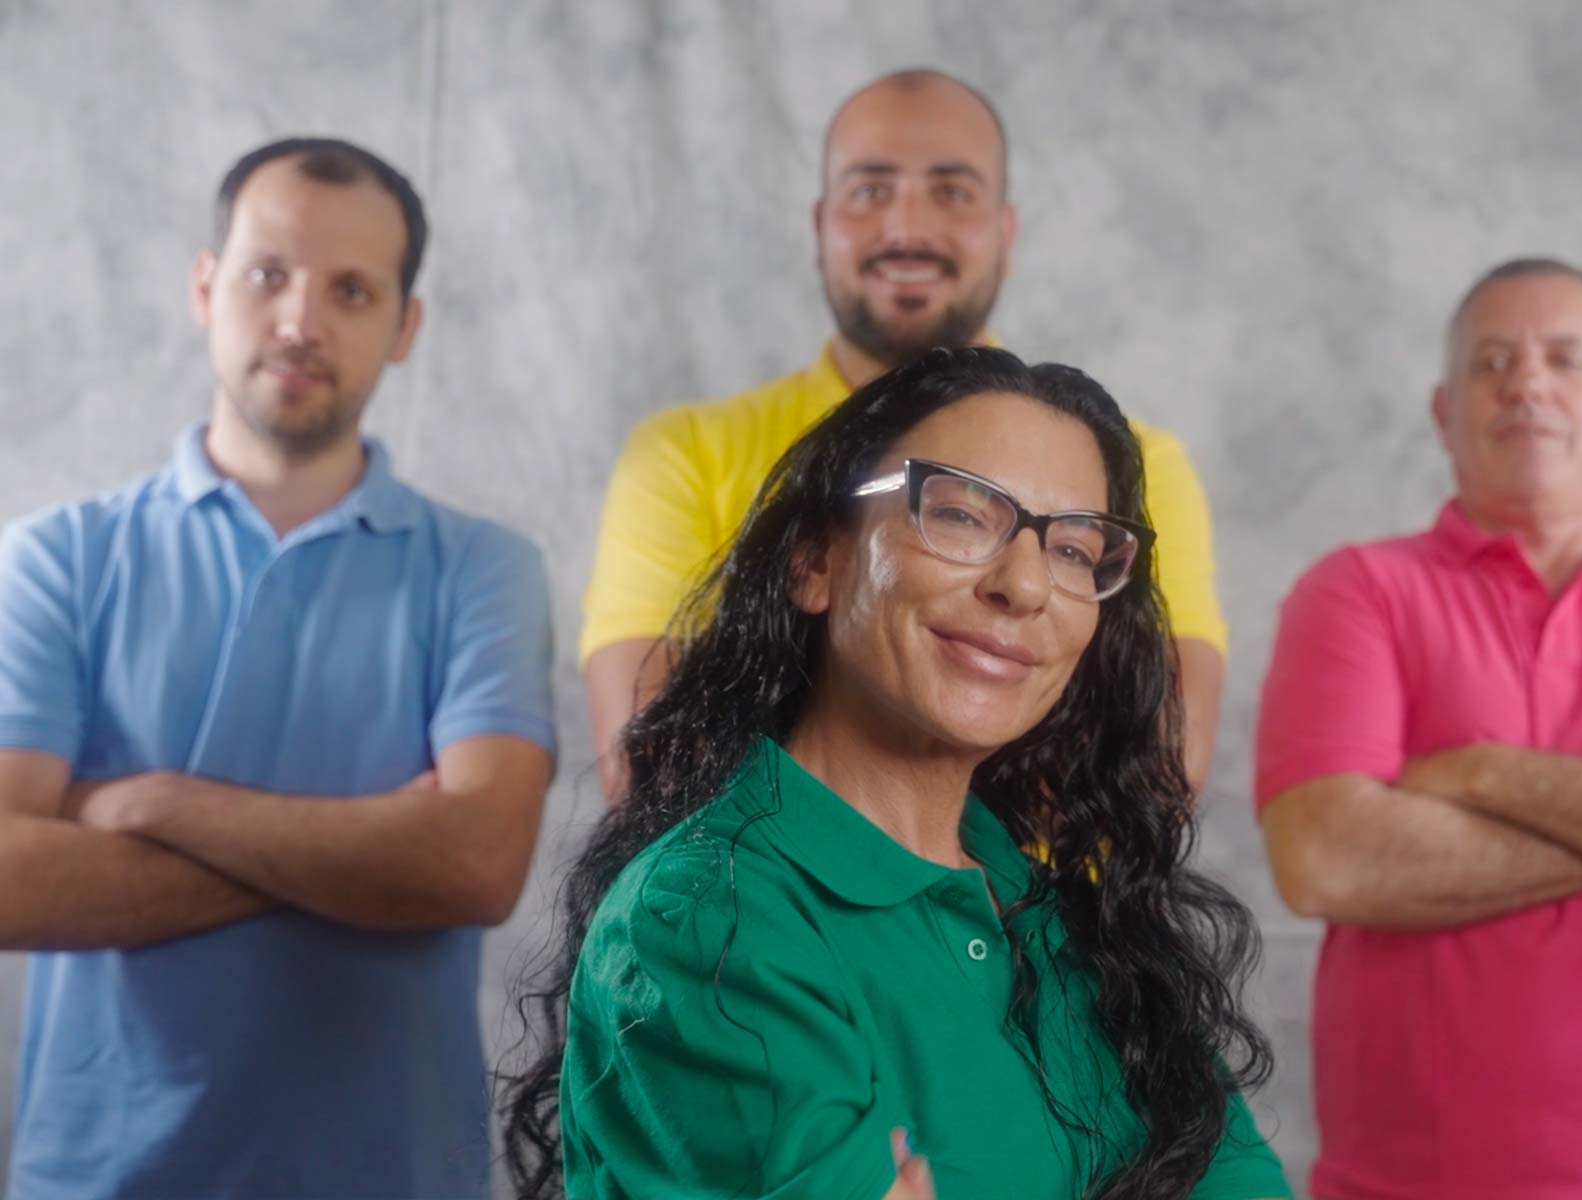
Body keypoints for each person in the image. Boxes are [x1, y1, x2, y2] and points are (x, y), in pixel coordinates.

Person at [506, 347, 1290, 1200]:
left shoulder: (1063, 906)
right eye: (958, 514)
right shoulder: (703, 923)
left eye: (1074, 550)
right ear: (816, 559)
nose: (1024, 583)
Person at [0, 137, 555, 1199]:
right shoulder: (56, 560)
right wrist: (373, 858)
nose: (302, 321)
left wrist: (149, 802)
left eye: (352, 290)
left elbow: (474, 865)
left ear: (405, 327)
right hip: (100, 1179)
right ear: (206, 287)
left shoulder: (486, 571)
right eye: (268, 275)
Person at [1255, 258, 1582, 1198]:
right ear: (1442, 411)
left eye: (1564, 358)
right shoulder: (1357, 592)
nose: (1527, 383)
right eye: (1493, 361)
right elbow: (1328, 860)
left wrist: (1477, 773)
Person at [581, 69, 1228, 798]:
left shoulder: (1136, 465)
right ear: (821, 226)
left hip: (1047, 914)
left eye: (952, 191)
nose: (909, 229)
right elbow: (654, 765)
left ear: (1005, 232)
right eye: (870, 190)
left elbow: (1153, 768)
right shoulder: (684, 453)